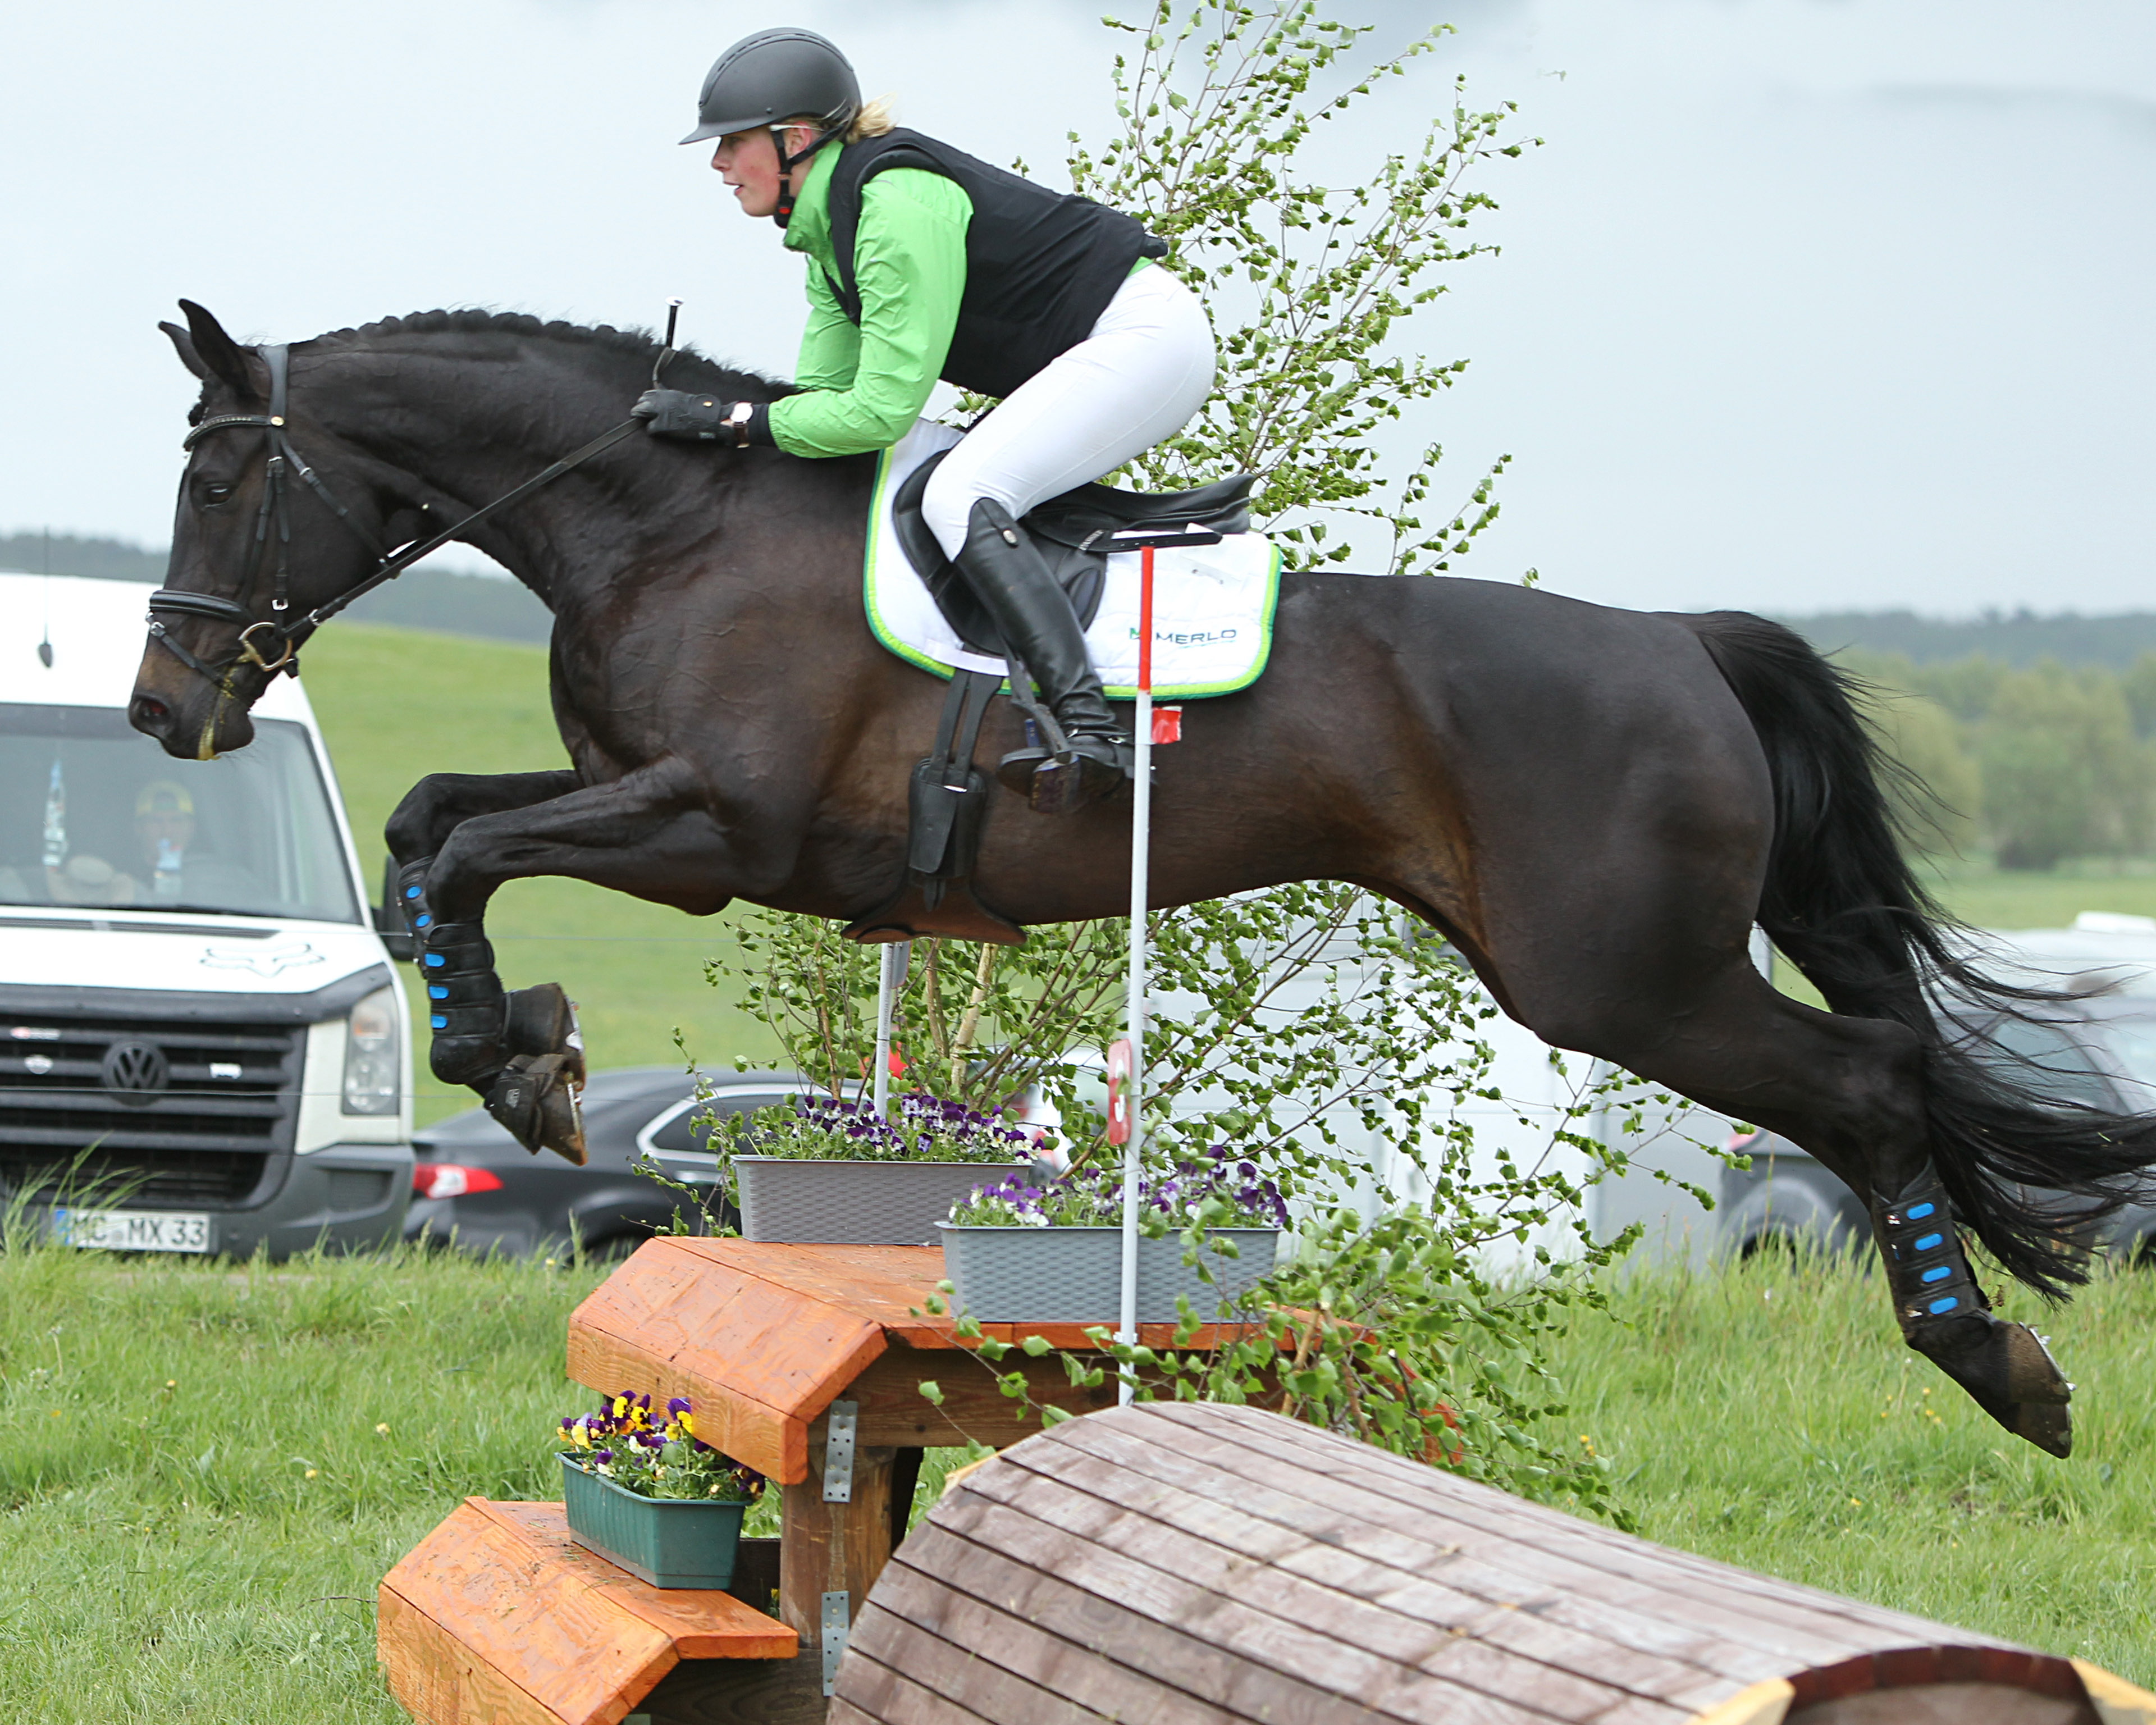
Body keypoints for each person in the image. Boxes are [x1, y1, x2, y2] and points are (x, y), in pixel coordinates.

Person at [634, 28, 1217, 815]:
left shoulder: (892, 207)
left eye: (733, 144)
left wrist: (731, 420)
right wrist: (721, 433)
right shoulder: (828, 242)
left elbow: (875, 413)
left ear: (795, 139)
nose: (718, 164)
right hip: (1104, 344)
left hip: (1146, 341)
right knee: (909, 475)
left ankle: (1089, 729)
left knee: (958, 494)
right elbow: (821, 407)